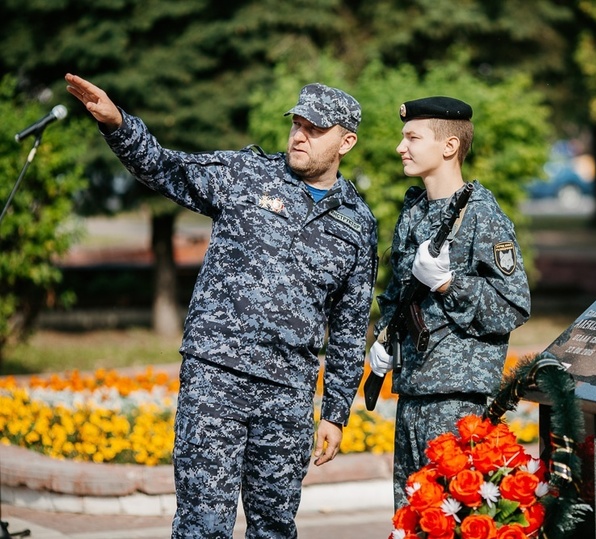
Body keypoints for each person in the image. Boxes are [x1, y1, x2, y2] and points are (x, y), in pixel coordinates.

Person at [64, 73, 378, 538]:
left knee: (272, 526)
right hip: (216, 377)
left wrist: (334, 412)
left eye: (315, 128)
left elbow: (350, 326)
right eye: (297, 123)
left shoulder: (357, 224)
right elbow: (164, 167)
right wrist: (117, 124)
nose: (299, 135)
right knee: (203, 525)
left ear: (346, 141)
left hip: (287, 393)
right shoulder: (245, 175)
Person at [367, 96, 531, 508]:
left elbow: (513, 306)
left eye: (412, 137)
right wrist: (384, 339)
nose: (400, 147)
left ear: (448, 146)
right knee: (412, 518)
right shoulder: (415, 210)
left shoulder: (480, 214)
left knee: (452, 519)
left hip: (458, 399)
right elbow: (398, 293)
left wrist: (446, 285)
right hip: (414, 392)